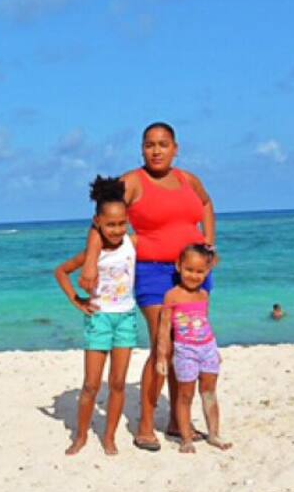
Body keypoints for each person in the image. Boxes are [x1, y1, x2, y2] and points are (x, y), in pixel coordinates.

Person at [78, 122, 215, 452]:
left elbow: (207, 206)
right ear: (141, 149)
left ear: (175, 148)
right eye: (150, 144)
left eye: (163, 144)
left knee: (183, 345)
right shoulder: (132, 182)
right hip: (152, 272)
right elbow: (101, 220)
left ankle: (175, 421)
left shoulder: (188, 180)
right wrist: (90, 261)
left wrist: (209, 244)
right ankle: (144, 426)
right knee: (161, 342)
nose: (156, 150)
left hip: (193, 274)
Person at [54, 176, 138, 456]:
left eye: (121, 223)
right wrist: (76, 301)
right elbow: (61, 272)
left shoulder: (131, 243)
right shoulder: (94, 251)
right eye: (110, 224)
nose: (116, 229)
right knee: (91, 384)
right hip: (99, 320)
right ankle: (80, 436)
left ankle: (110, 436)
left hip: (126, 318)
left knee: (117, 383)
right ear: (97, 222)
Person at [156, 244, 231, 453]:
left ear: (207, 272)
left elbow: (204, 322)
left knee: (209, 392)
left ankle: (214, 434)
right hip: (185, 352)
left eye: (200, 272)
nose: (194, 276)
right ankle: (186, 438)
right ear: (178, 266)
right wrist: (162, 356)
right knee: (185, 396)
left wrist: (215, 350)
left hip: (208, 348)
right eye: (189, 270)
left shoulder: (204, 295)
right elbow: (164, 328)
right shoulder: (172, 296)